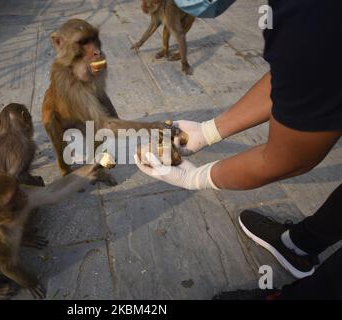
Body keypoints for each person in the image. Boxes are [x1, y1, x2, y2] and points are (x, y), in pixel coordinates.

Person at [134, 0, 342, 299]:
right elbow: (296, 78)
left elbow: (290, 158)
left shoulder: (310, 13)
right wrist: (209, 131)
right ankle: (300, 244)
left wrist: (197, 178)